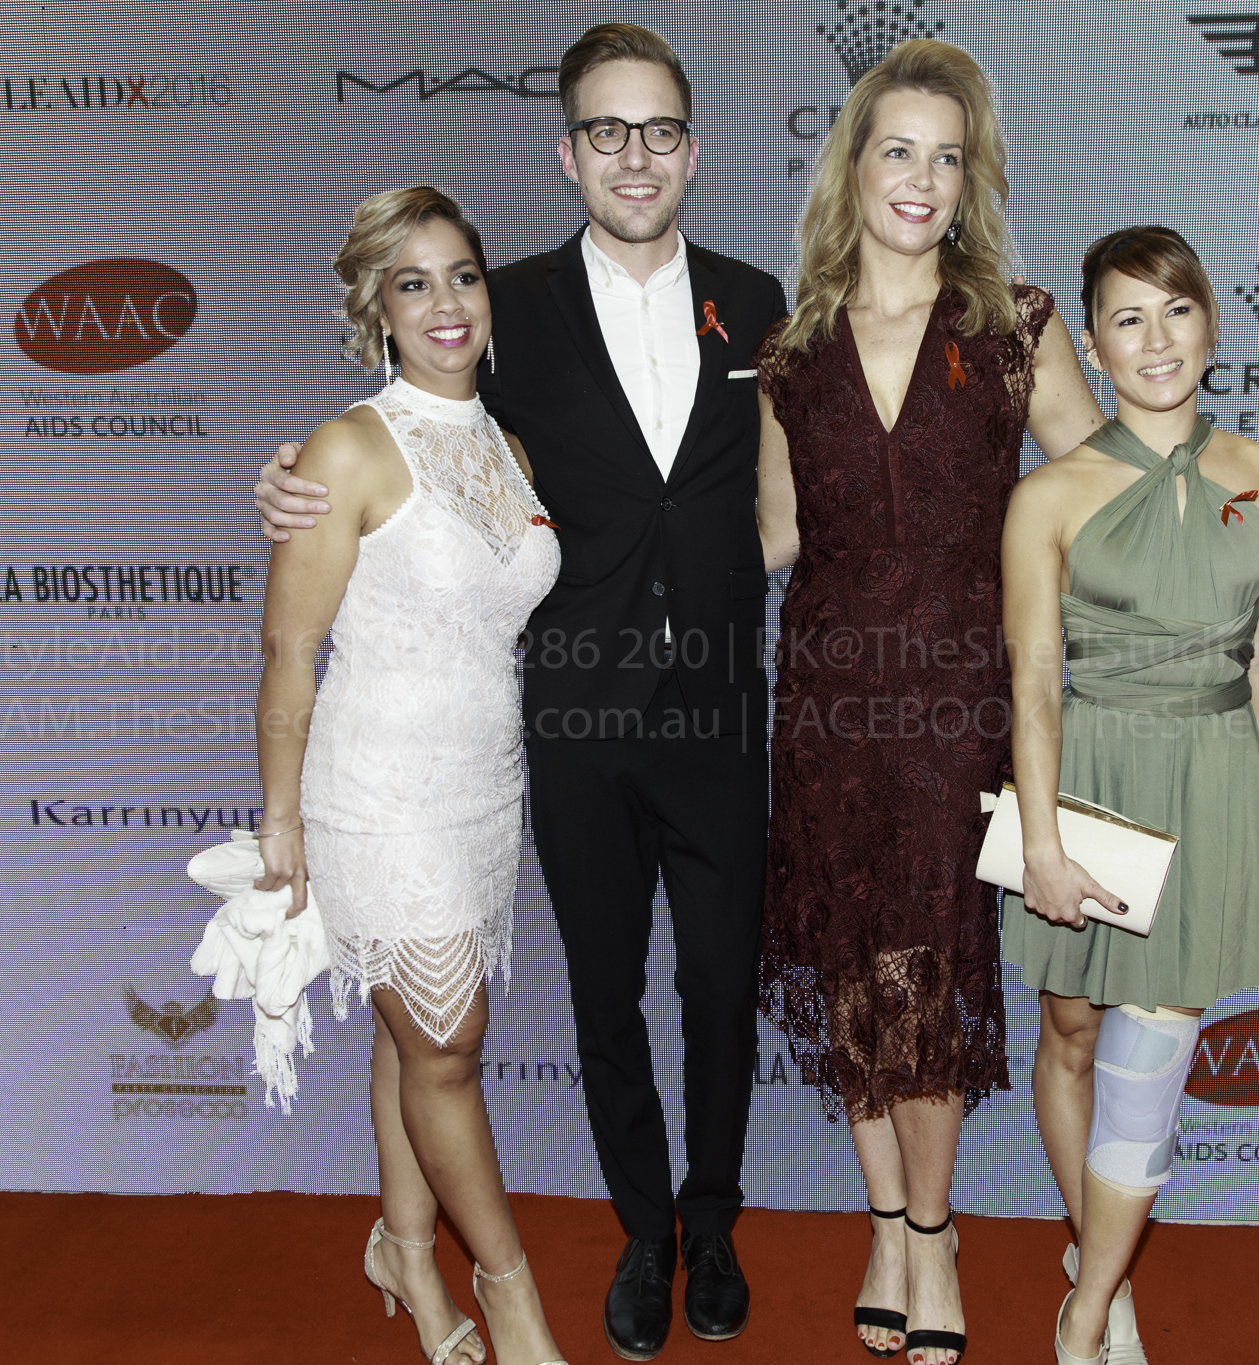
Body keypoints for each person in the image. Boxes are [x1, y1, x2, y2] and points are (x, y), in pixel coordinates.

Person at [255, 25, 784, 1362]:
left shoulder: (753, 299)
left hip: (718, 712)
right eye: (606, 131)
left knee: (720, 988)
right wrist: (286, 481)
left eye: (657, 130)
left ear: (691, 149)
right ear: (567, 152)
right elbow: (405, 426)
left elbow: (782, 492)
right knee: (604, 998)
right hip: (570, 723)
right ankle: (643, 1232)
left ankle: (712, 1221)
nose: (633, 156)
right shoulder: (510, 309)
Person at [751, 38, 1118, 1365]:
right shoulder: (791, 351)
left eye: (945, 158)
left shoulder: (1014, 327)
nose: (919, 177)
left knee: (923, 969)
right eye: (896, 150)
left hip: (960, 702)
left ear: (970, 184)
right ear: (852, 168)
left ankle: (935, 1232)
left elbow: (1112, 479)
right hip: (829, 704)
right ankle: (888, 1229)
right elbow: (774, 533)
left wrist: (1256, 511)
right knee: (855, 967)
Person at [252, 187, 567, 1365]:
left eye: (462, 276)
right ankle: (507, 1292)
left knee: (409, 1041)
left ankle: (405, 1256)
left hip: (483, 790)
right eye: (413, 283)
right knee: (446, 1044)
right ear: (375, 309)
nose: (446, 304)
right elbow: (289, 649)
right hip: (378, 797)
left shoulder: (507, 447)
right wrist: (280, 819)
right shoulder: (346, 447)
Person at [1000, 224, 1259, 1365]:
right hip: (1089, 776)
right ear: (1093, 347)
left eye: (1176, 310)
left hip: (1212, 773)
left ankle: (1088, 1310)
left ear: (1210, 324)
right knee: (1072, 1031)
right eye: (1127, 319)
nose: (1156, 339)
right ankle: (1101, 1252)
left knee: (1154, 1050)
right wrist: (1040, 843)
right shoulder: (1049, 495)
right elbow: (1034, 683)